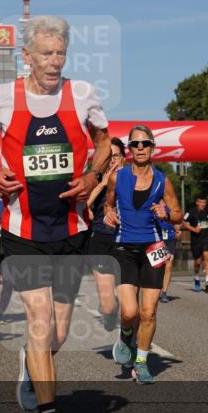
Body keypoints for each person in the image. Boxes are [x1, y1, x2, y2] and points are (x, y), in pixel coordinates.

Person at [0, 15, 110, 413]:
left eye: (60, 53)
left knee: (58, 333)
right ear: (26, 56)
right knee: (37, 319)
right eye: (46, 54)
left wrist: (91, 174)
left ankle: (33, 370)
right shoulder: (1, 98)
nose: (54, 62)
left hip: (71, 228)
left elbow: (104, 141)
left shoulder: (83, 94)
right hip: (22, 228)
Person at [103, 125, 182, 383]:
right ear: (129, 149)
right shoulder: (118, 176)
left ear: (152, 148)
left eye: (144, 144)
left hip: (153, 249)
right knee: (129, 312)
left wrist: (167, 214)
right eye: (135, 144)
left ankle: (141, 362)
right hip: (124, 248)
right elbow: (108, 201)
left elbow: (178, 213)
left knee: (148, 312)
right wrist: (108, 212)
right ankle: (126, 334)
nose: (140, 148)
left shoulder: (163, 180)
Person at [86, 137, 126, 328]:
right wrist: (103, 183)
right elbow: (85, 204)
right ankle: (110, 311)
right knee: (109, 307)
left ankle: (128, 337)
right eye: (109, 156)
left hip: (127, 240)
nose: (113, 160)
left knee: (130, 305)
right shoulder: (95, 179)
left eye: (116, 156)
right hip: (102, 239)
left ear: (124, 158)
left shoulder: (133, 178)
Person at [183, 197, 208, 292]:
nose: (202, 204)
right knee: (198, 262)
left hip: (206, 239)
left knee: (207, 257)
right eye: (201, 202)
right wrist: (193, 229)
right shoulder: (191, 212)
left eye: (204, 202)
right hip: (196, 240)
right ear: (197, 202)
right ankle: (196, 277)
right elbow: (184, 222)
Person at [159, 218, 178, 304]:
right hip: (155, 236)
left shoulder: (171, 205)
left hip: (169, 237)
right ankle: (155, 289)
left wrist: (178, 226)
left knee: (168, 264)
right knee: (156, 265)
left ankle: (164, 292)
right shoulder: (152, 204)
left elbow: (179, 218)